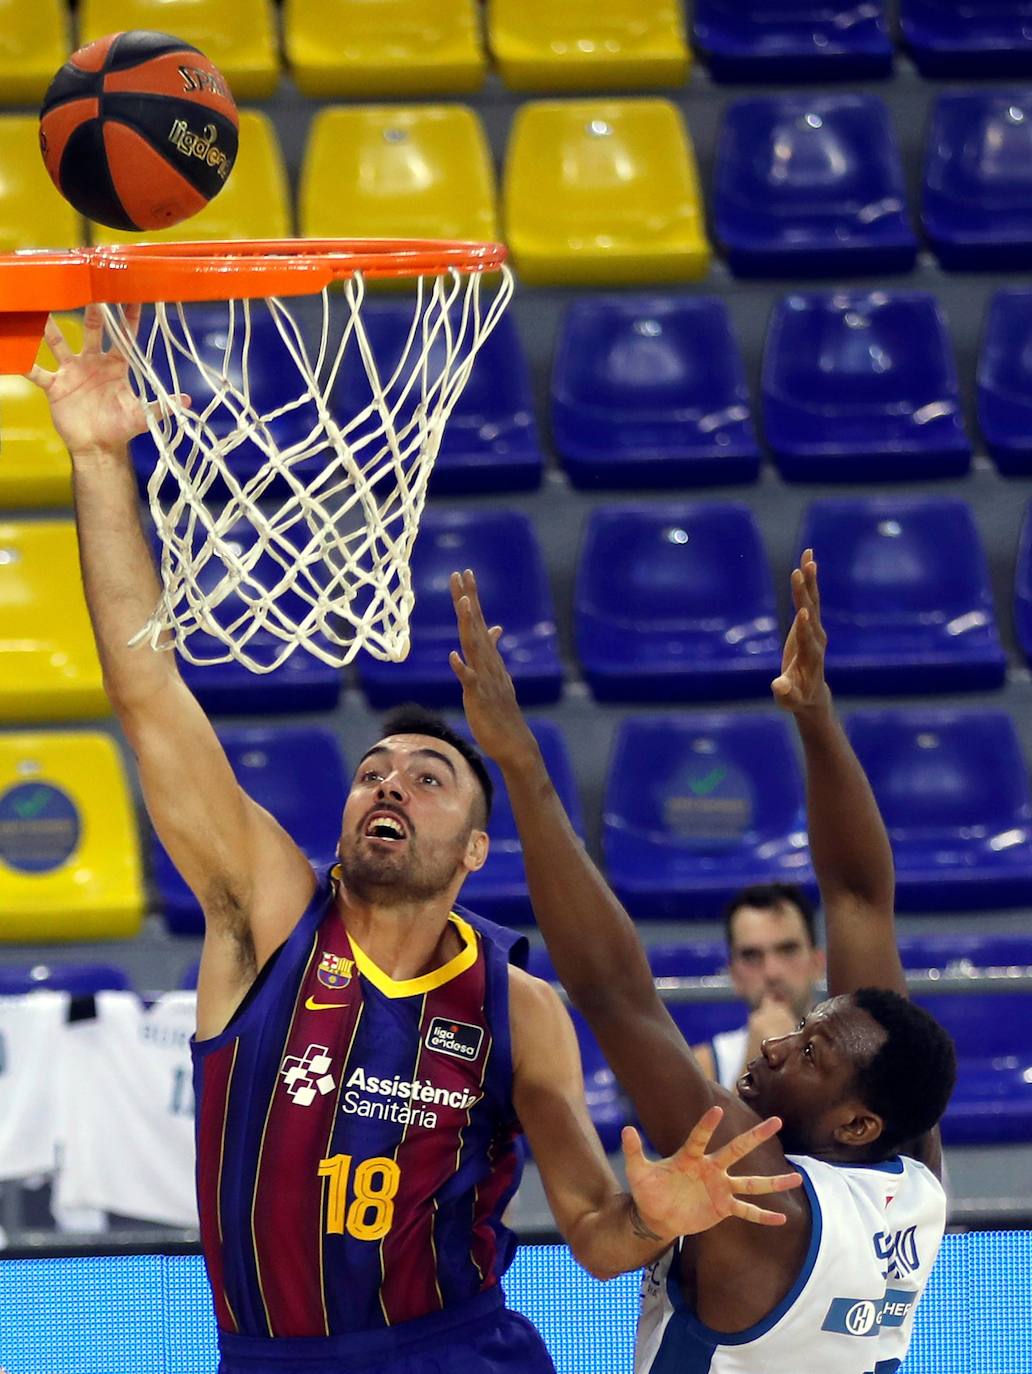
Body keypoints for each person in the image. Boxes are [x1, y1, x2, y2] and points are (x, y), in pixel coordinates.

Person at [28, 307, 801, 1374]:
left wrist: (656, 1215)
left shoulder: (518, 1008)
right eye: (371, 774)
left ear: (476, 850)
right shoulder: (268, 918)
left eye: (427, 778)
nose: (389, 784)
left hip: (457, 1352)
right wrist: (102, 461)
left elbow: (592, 1235)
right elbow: (149, 693)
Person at [450, 557, 958, 1374]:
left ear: (855, 1123)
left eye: (809, 1055)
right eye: (801, 1031)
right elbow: (860, 896)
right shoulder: (913, 1173)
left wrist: (522, 766)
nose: (777, 1045)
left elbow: (615, 996)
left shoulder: (757, 1195)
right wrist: (816, 715)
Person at [693, 884, 825, 1090]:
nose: (772, 972)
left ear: (817, 963)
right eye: (752, 956)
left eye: (788, 950)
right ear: (734, 975)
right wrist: (754, 1064)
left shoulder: (856, 1055)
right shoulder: (704, 1067)